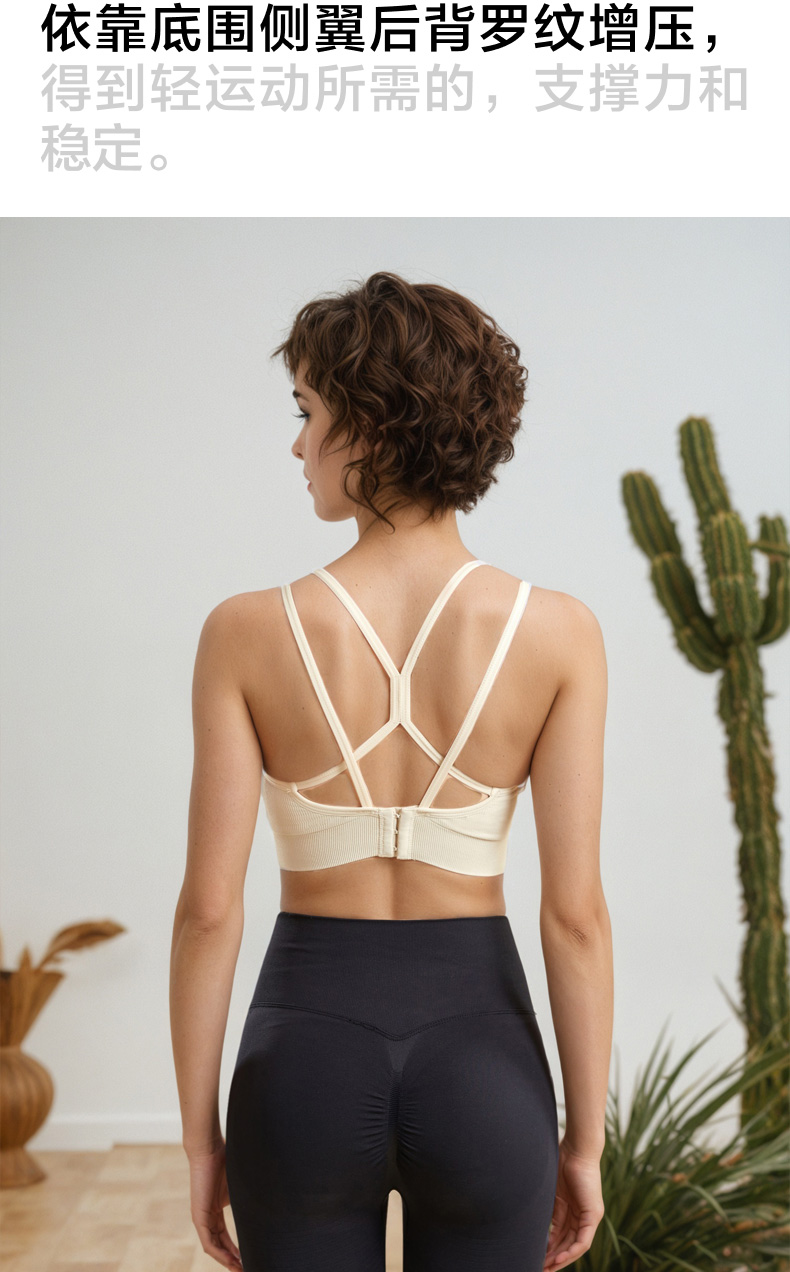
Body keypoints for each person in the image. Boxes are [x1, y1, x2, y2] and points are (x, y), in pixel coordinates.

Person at [169, 272, 613, 1272]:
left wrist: (200, 1143)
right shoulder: (559, 633)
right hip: (486, 1066)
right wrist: (583, 1145)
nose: (297, 446)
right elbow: (576, 917)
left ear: (369, 425)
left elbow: (207, 913)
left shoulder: (244, 632)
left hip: (301, 1065)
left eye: (307, 413)